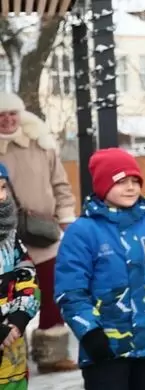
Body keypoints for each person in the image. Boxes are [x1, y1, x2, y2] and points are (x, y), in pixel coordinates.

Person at [55, 148, 145, 389]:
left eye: (135, 181)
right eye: (121, 181)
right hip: (106, 347)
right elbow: (71, 291)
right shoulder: (82, 232)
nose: (131, 187)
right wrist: (90, 333)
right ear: (102, 185)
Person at [0, 94, 76, 373]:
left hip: (43, 234)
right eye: (1, 115)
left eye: (13, 113)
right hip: (4, 239)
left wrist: (66, 214)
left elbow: (60, 184)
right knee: (7, 298)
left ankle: (52, 354)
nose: (8, 120)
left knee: (53, 292)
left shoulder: (42, 144)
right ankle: (11, 358)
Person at [0, 163, 40, 389]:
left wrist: (19, 318)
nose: (1, 196)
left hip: (12, 358)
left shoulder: (10, 237)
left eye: (3, 187)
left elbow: (27, 275)